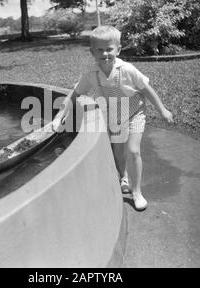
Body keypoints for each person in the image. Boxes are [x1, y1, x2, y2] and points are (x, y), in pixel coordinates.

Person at [52, 25, 173, 211]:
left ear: (118, 49)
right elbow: (74, 94)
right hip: (115, 115)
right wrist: (61, 114)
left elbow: (146, 89)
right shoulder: (92, 75)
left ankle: (136, 191)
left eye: (109, 49)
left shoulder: (127, 70)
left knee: (133, 151)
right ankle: (123, 176)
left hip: (134, 113)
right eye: (99, 50)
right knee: (117, 151)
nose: (105, 54)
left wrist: (163, 110)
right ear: (92, 52)